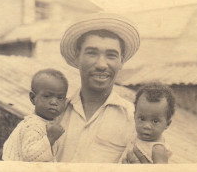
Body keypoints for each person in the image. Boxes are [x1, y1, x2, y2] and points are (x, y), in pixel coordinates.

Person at [56, 14, 140, 163]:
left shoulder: (134, 119)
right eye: (92, 53)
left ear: (121, 61)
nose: (102, 64)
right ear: (77, 57)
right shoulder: (55, 113)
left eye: (111, 55)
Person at [2, 69, 68, 162]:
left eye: (60, 98)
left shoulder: (48, 122)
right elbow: (30, 156)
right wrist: (50, 138)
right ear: (33, 98)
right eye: (47, 96)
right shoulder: (33, 125)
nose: (54, 102)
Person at [122, 83, 175, 164]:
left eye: (155, 121)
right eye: (142, 119)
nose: (146, 126)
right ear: (134, 116)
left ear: (167, 124)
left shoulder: (157, 149)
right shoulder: (134, 135)